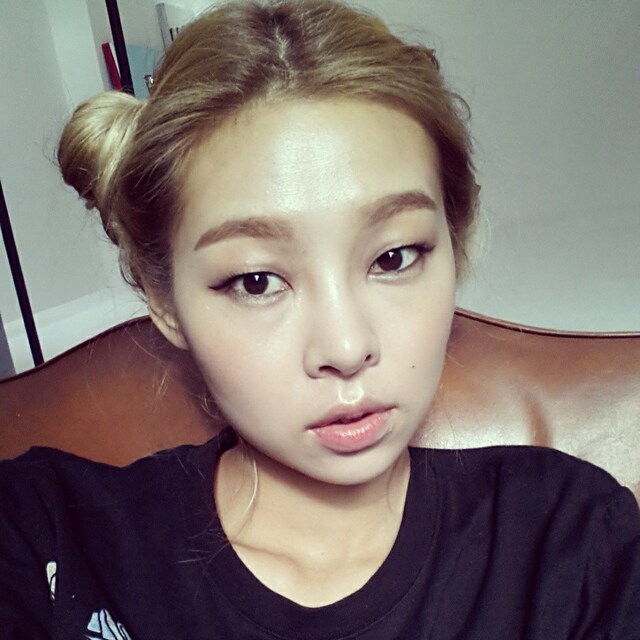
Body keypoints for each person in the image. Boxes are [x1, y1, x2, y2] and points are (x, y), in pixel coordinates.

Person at [1, 1, 639, 638]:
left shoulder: (570, 540)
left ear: (454, 243)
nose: (346, 346)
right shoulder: (42, 533)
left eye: (393, 257)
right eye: (257, 281)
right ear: (162, 297)